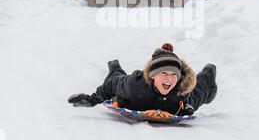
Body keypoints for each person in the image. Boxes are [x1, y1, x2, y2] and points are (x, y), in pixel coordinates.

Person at [68, 43, 217, 116]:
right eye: (164, 74)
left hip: (178, 101)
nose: (169, 79)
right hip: (134, 97)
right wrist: (92, 99)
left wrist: (208, 75)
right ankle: (114, 65)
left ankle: (209, 71)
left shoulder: (181, 90)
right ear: (153, 76)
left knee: (202, 90)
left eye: (173, 75)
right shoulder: (136, 85)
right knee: (117, 77)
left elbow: (199, 91)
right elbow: (112, 85)